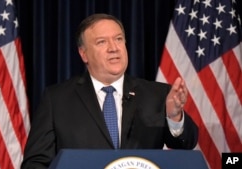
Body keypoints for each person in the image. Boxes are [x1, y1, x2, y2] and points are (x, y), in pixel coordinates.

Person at [21, 13, 198, 169]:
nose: (114, 48)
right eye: (101, 42)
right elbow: (35, 163)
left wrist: (175, 118)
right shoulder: (57, 100)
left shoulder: (157, 95)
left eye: (119, 39)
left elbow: (186, 143)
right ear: (84, 54)